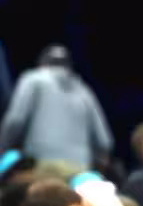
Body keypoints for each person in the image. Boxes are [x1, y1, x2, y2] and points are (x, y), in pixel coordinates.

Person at [0, 44, 114, 180]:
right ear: (69, 67)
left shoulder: (33, 79)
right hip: (80, 169)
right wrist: (97, 167)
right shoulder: (84, 90)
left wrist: (3, 148)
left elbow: (15, 121)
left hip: (42, 164)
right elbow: (104, 141)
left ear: (42, 64)